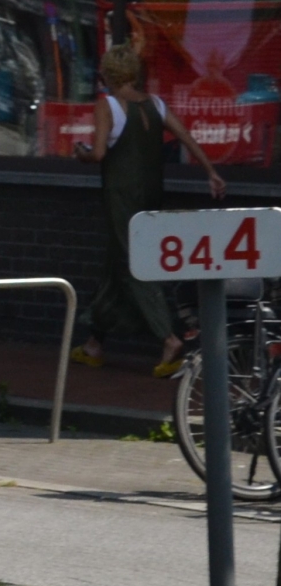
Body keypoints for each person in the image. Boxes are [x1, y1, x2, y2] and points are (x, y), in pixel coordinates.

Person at [70, 42, 225, 374]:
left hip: (121, 196)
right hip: (152, 194)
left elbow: (98, 154)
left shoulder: (107, 105)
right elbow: (185, 135)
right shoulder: (155, 104)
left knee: (132, 263)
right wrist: (211, 171)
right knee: (117, 264)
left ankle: (168, 338)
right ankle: (94, 345)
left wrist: (79, 153)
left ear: (109, 74)